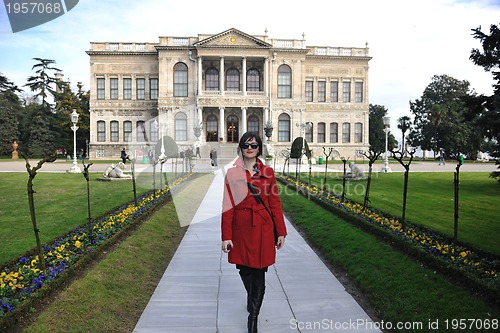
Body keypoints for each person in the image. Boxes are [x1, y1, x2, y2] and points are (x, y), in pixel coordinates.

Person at [221, 131, 287, 333]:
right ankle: (252, 299)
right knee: (244, 270)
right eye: (246, 145)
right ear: (241, 147)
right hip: (241, 228)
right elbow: (227, 205)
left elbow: (274, 203)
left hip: (263, 228)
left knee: (259, 273)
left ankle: (253, 318)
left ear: (259, 148)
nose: (250, 149)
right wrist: (226, 236)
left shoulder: (267, 172)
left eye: (254, 145)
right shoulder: (232, 173)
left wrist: (281, 231)